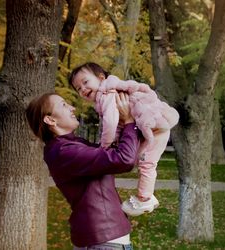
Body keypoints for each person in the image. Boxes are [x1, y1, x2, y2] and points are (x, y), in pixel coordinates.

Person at [26, 92, 141, 249]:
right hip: (103, 242)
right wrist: (129, 122)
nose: (72, 108)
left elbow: (118, 154)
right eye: (64, 105)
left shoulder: (72, 145)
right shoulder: (64, 151)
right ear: (50, 120)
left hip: (105, 240)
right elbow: (124, 159)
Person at [69, 62, 179, 216]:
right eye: (78, 89)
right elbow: (120, 123)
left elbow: (111, 122)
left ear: (101, 78)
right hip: (154, 124)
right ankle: (146, 196)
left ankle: (145, 198)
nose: (83, 89)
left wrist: (104, 146)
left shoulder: (105, 94)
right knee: (146, 163)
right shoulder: (109, 93)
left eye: (85, 82)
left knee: (147, 164)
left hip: (154, 125)